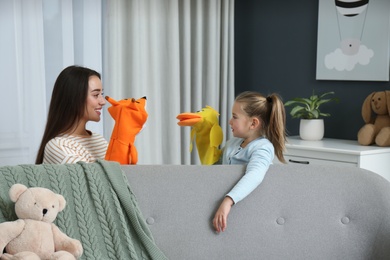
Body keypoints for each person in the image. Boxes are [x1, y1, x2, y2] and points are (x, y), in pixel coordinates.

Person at [212, 91, 287, 233]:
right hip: (225, 203)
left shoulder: (263, 148)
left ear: (253, 123)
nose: (229, 121)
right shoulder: (232, 143)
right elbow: (216, 169)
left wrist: (228, 201)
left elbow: (255, 175)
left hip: (248, 207)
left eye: (235, 117)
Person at [35, 65, 108, 164]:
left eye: (101, 94)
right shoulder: (58, 146)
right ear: (75, 97)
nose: (103, 101)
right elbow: (91, 178)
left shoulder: (99, 141)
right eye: (96, 95)